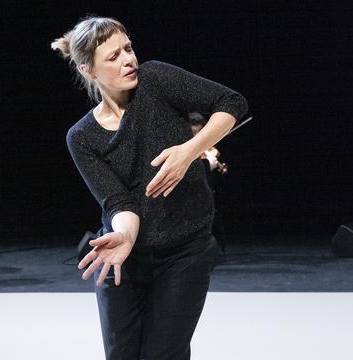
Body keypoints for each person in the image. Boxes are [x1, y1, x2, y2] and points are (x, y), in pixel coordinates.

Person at [52, 17, 247, 359]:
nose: (128, 59)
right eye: (113, 57)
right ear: (88, 70)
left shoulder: (156, 80)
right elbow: (118, 202)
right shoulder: (82, 137)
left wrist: (189, 151)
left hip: (185, 252)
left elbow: (232, 103)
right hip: (123, 260)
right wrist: (125, 237)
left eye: (128, 48)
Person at [189, 111, 229, 254]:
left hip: (208, 192)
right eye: (193, 133)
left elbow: (213, 169)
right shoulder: (182, 148)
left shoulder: (210, 150)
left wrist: (219, 168)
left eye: (199, 133)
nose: (196, 138)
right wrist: (205, 164)